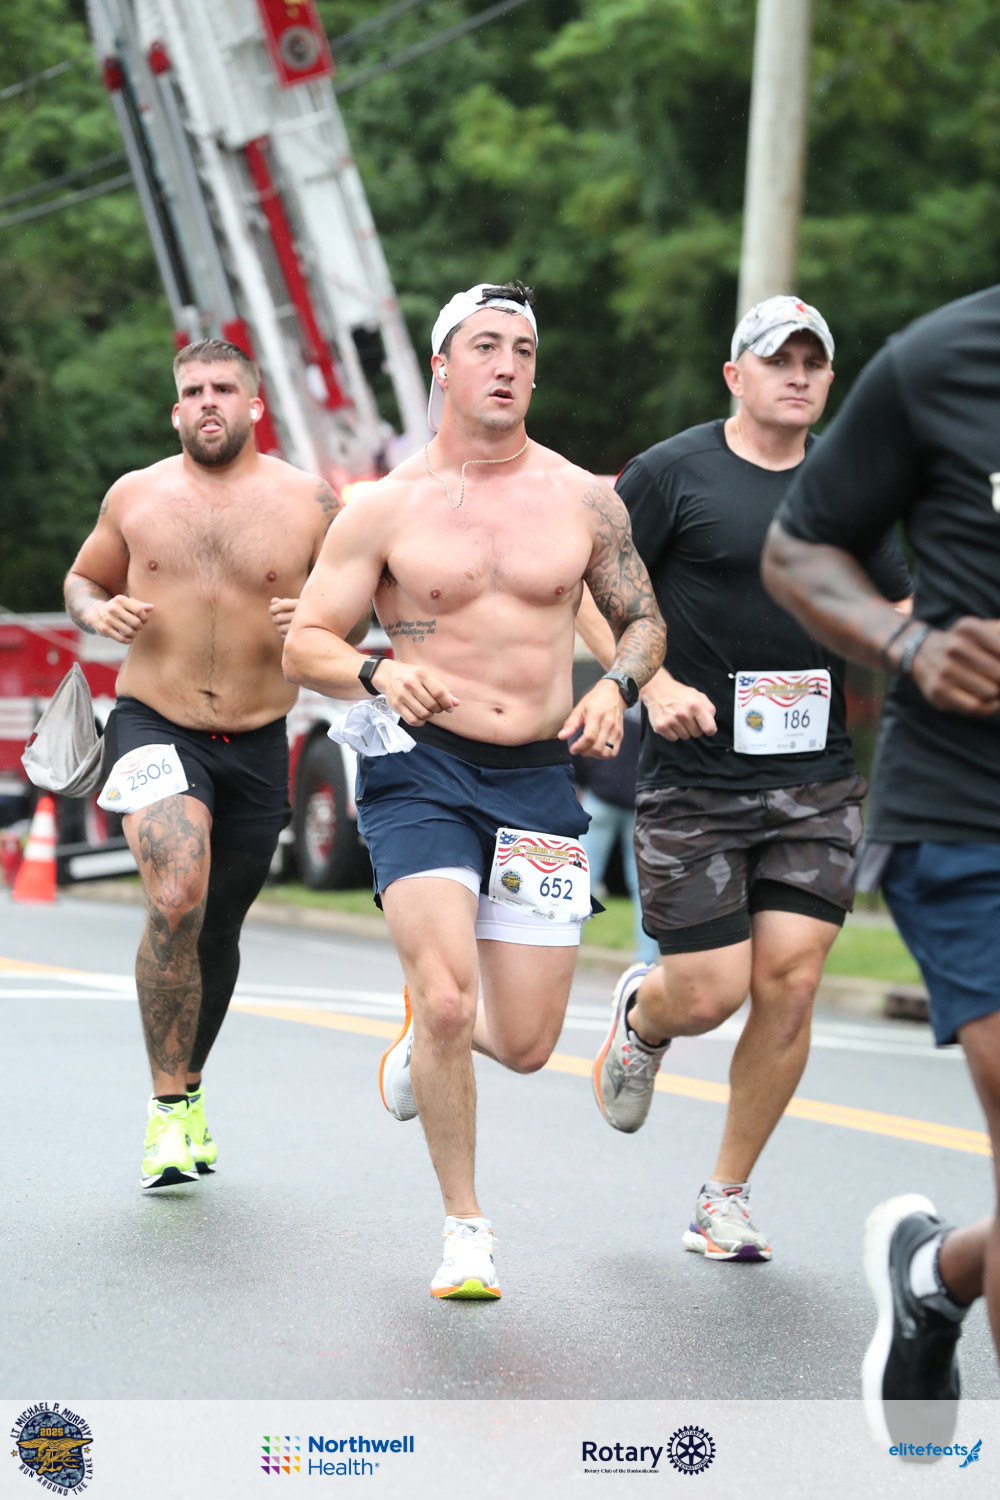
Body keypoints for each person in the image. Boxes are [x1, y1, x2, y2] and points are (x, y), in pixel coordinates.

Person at [283, 281, 665, 1299]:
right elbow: (306, 641)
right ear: (443, 366)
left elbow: (641, 621)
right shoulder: (384, 505)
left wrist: (617, 689)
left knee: (530, 1044)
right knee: (452, 995)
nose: (507, 365)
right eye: (486, 345)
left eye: (524, 350)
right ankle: (465, 1227)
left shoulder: (585, 498)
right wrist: (377, 673)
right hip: (419, 767)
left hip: (536, 778)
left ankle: (427, 1036)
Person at [587, 295, 911, 1263]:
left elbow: (895, 606)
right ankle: (645, 1017)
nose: (798, 376)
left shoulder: (851, 483)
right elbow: (588, 590)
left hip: (814, 780)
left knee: (793, 983)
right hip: (694, 778)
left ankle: (722, 1197)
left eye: (813, 362)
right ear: (736, 375)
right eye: (779, 360)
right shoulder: (670, 472)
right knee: (708, 993)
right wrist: (652, 685)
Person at [761, 284, 1000, 1453]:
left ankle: (936, 1274)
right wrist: (907, 641)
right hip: (971, 815)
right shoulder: (940, 363)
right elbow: (796, 546)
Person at [64, 337, 340, 1190]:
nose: (207, 400)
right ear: (175, 409)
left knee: (217, 929)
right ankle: (165, 1110)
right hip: (155, 724)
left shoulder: (310, 501)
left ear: (254, 404)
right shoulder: (136, 495)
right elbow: (81, 579)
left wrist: (322, 616)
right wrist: (96, 612)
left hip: (258, 739)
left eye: (223, 387)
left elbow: (361, 608)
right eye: (193, 390)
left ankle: (187, 1089)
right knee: (176, 894)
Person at [573, 704, 659, 964]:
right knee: (643, 886)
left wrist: (583, 782)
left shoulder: (610, 694)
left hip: (603, 794)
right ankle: (645, 963)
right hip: (642, 800)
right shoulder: (661, 699)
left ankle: (565, 948)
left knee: (580, 879)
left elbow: (578, 740)